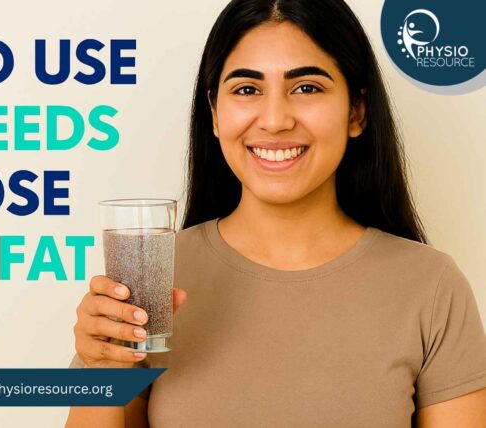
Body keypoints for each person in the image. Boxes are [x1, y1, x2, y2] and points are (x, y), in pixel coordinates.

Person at [66, 0, 486, 426]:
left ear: (356, 111)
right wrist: (102, 367)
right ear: (214, 112)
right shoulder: (150, 283)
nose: (274, 120)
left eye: (306, 87)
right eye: (247, 89)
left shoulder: (430, 286)